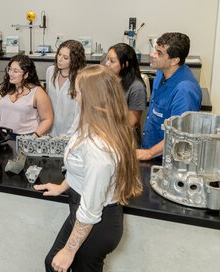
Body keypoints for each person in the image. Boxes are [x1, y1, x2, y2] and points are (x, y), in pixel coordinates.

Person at [34, 65, 142, 272]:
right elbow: (80, 168)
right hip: (83, 211)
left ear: (92, 97)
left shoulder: (99, 148)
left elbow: (91, 209)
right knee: (51, 263)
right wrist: (64, 186)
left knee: (60, 263)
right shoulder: (94, 123)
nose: (75, 97)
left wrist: (69, 250)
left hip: (96, 223)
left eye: (78, 92)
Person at [137, 32, 202, 161]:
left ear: (174, 60)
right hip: (150, 147)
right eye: (155, 50)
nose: (152, 55)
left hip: (166, 159)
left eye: (159, 53)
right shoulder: (162, 73)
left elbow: (178, 135)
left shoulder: (184, 91)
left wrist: (149, 153)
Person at [0, 54, 53, 139]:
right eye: (9, 69)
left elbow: (47, 119)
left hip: (27, 137)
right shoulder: (4, 88)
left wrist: (34, 136)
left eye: (15, 71)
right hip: (4, 136)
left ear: (25, 75)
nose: (10, 73)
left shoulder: (38, 92)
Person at [105, 43, 147, 143]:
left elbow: (132, 121)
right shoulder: (107, 80)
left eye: (112, 61)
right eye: (107, 59)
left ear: (125, 64)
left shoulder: (136, 87)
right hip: (106, 134)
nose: (107, 63)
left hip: (124, 139)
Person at [46, 40, 87, 136]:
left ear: (74, 60)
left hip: (70, 131)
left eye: (65, 58)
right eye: (59, 55)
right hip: (50, 129)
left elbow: (81, 111)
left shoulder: (81, 77)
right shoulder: (50, 71)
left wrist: (70, 134)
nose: (59, 59)